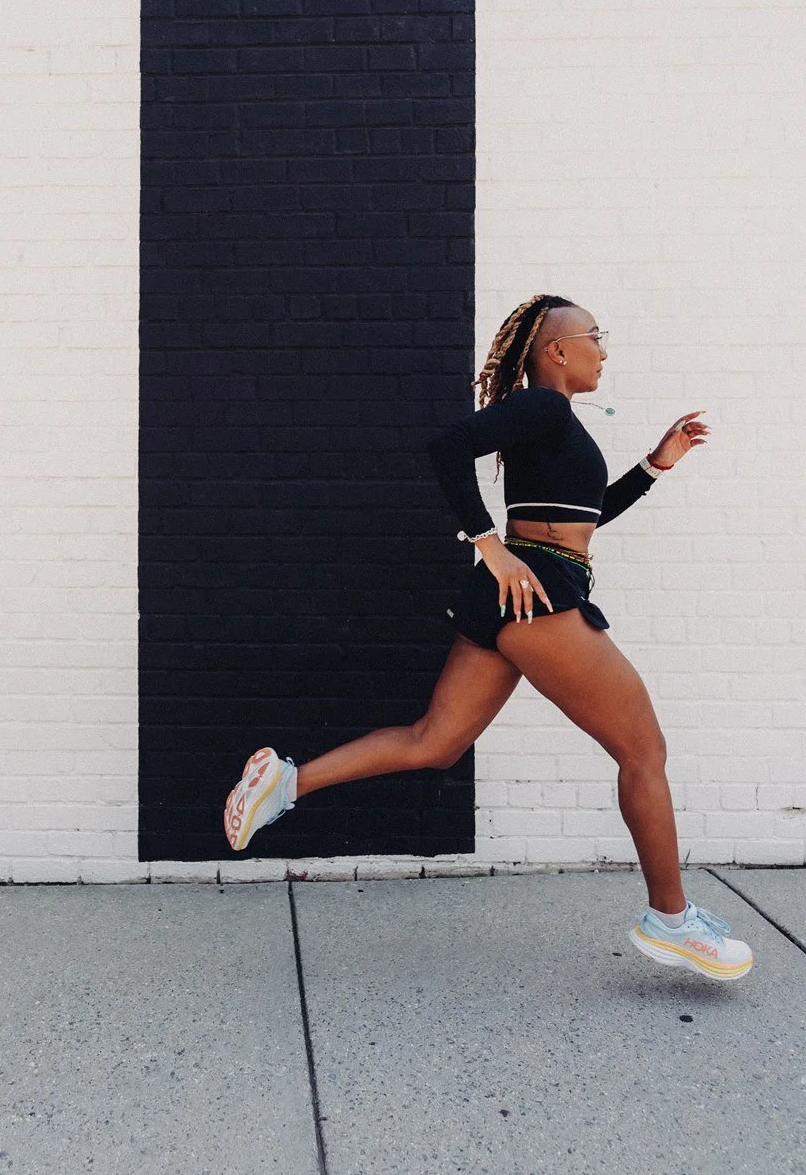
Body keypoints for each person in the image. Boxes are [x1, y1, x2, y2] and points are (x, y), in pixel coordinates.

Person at [221, 294, 753, 981]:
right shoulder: (547, 406)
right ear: (557, 350)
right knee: (643, 749)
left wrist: (655, 465)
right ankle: (672, 920)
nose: (605, 349)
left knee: (433, 742)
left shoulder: (550, 420)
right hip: (537, 594)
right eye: (596, 336)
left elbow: (581, 520)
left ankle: (284, 782)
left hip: (518, 595)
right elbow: (447, 447)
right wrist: (489, 544)